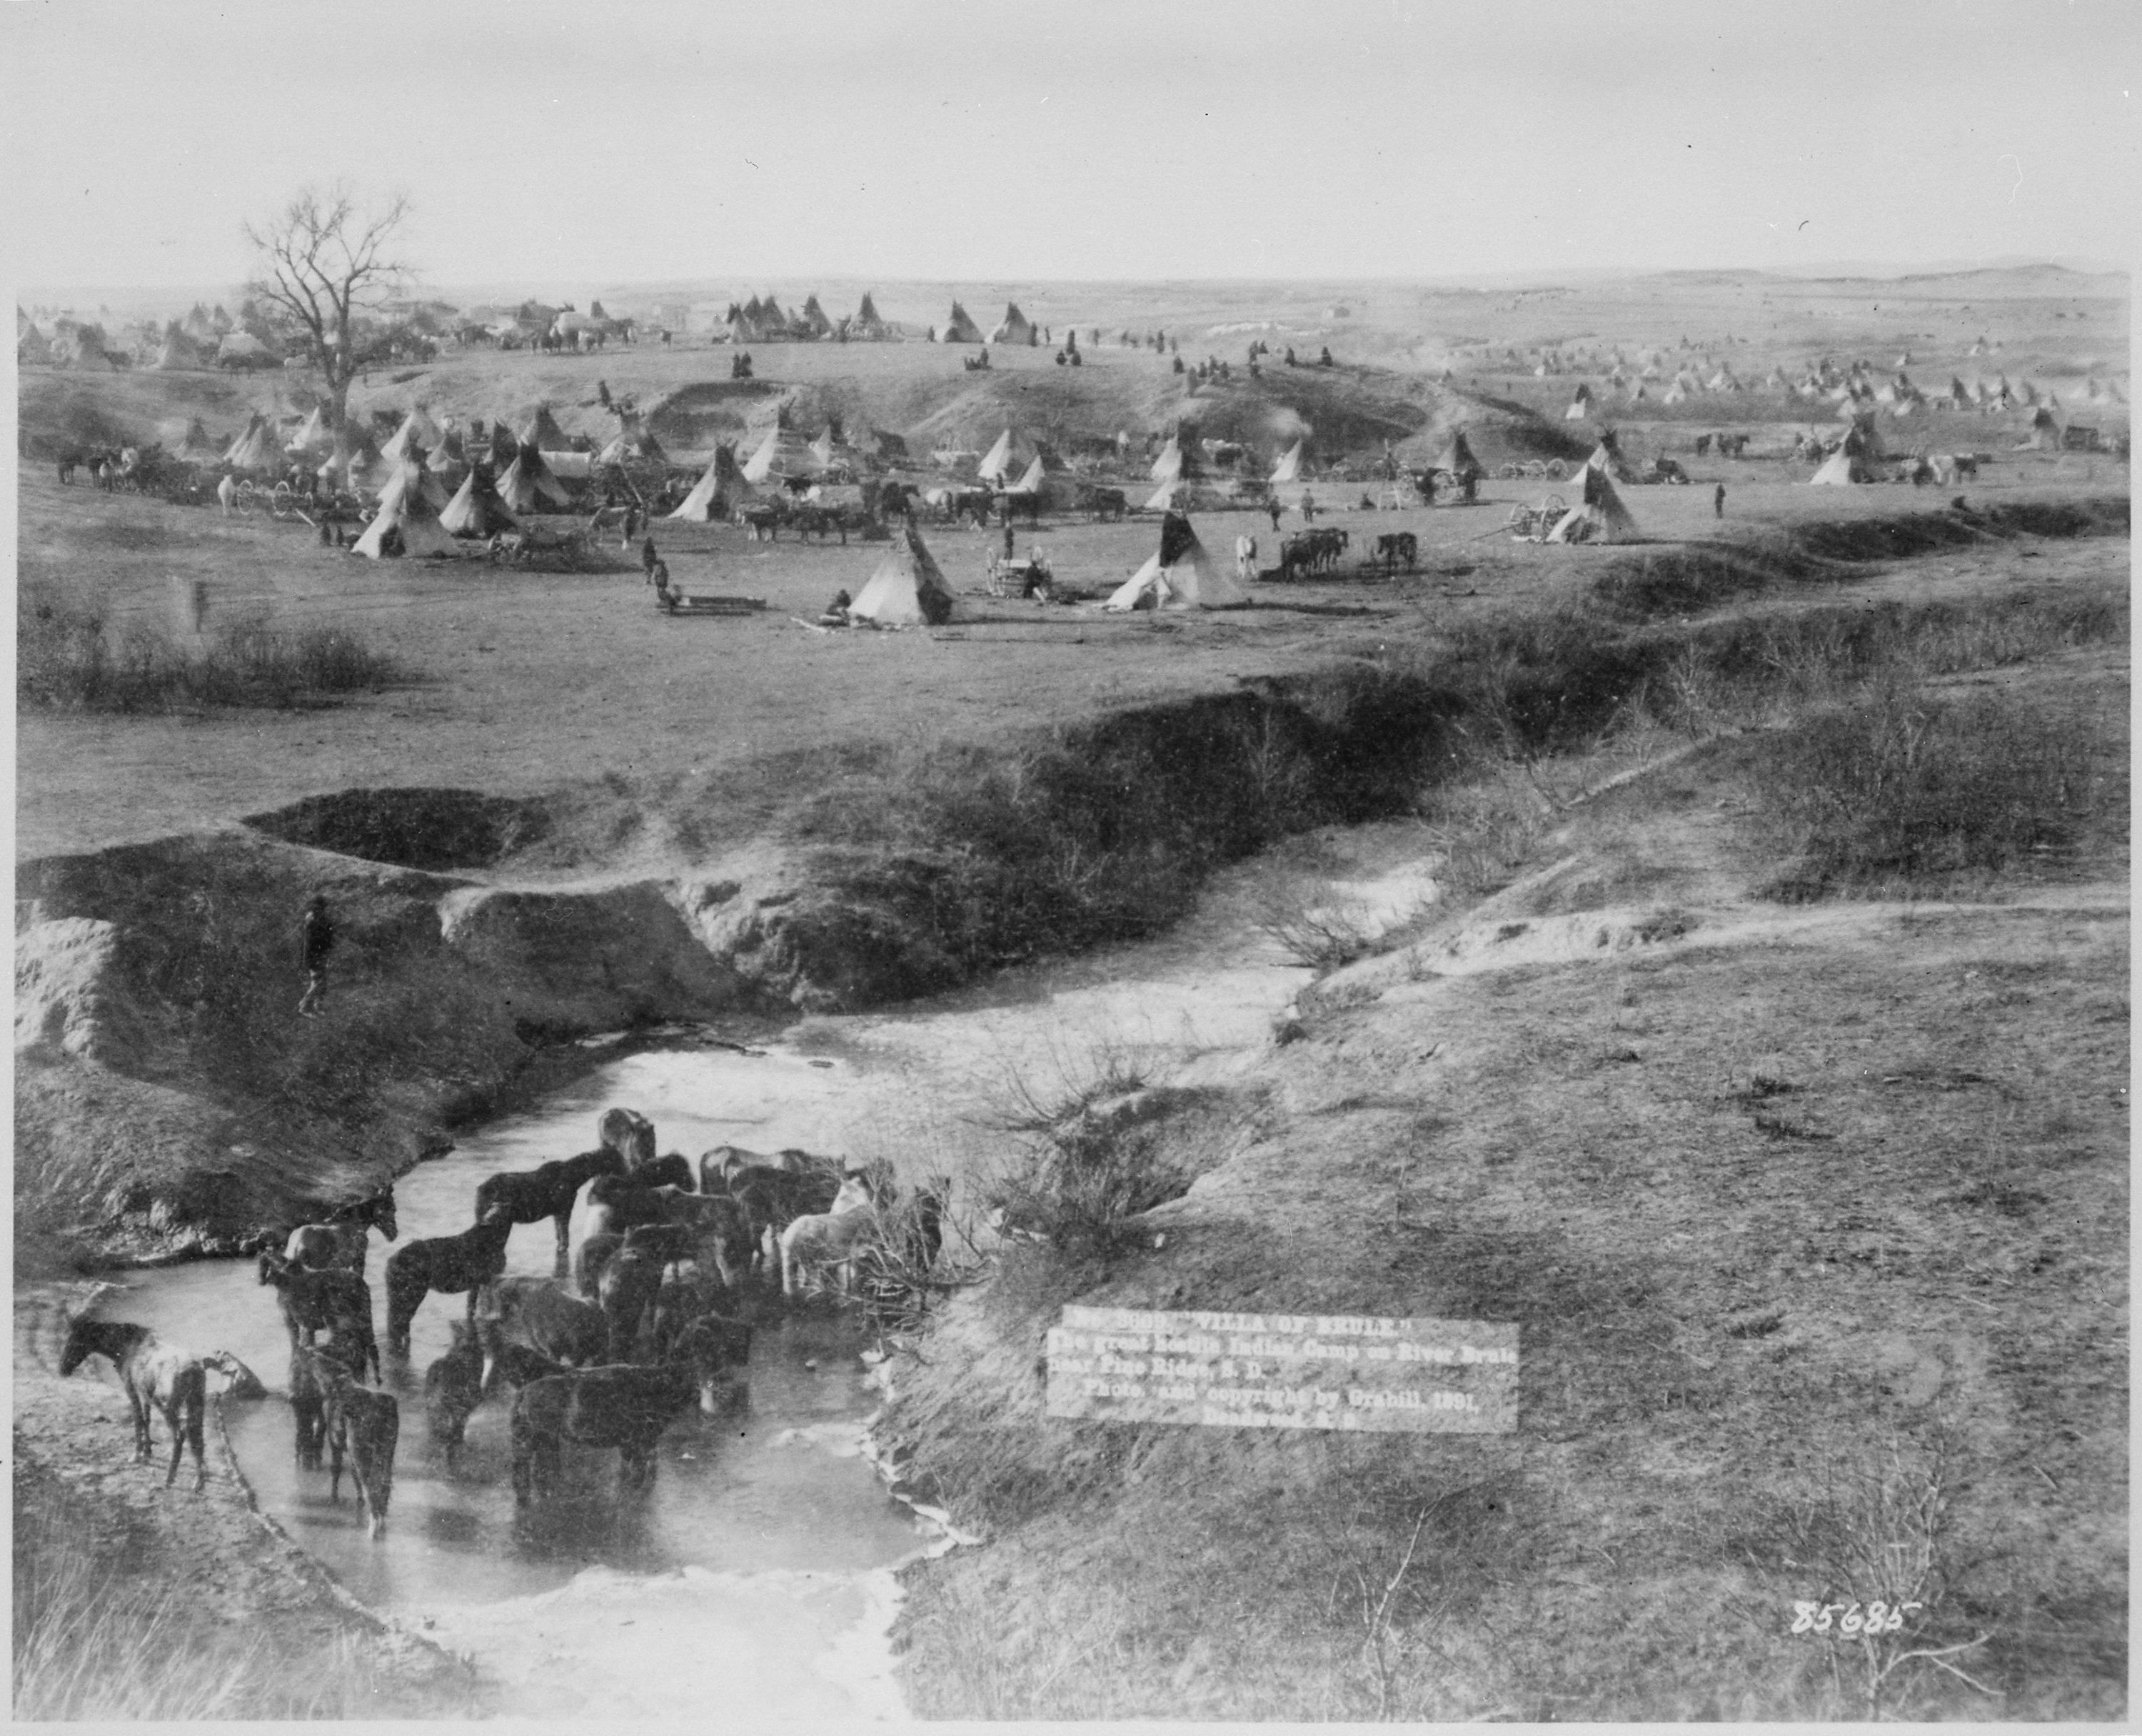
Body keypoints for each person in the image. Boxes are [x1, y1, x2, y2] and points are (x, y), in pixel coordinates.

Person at [298, 893, 335, 1018]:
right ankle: (305, 1006)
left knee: (321, 981)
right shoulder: (315, 921)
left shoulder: (314, 920)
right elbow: (317, 942)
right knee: (318, 981)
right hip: (315, 956)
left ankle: (317, 1006)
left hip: (316, 955)